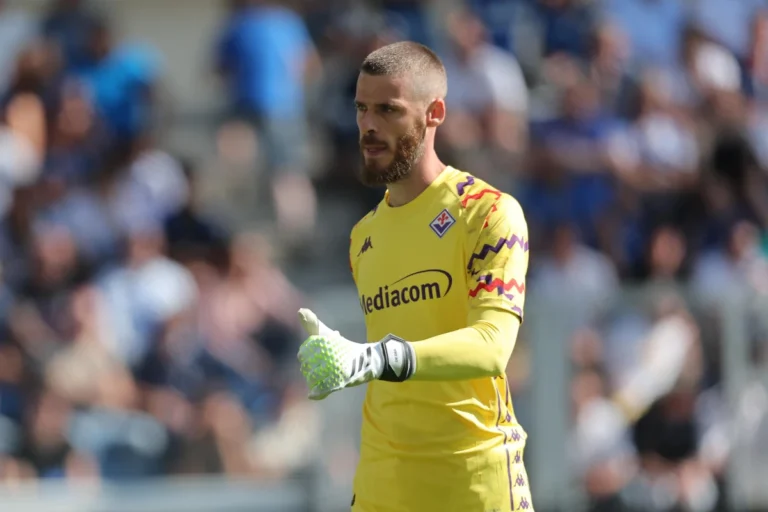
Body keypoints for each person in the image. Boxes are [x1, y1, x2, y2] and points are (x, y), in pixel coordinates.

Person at [296, 42, 533, 512]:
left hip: (473, 487)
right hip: (381, 489)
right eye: (361, 108)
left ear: (434, 113)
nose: (368, 125)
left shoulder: (486, 213)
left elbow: (492, 346)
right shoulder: (362, 237)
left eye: (388, 110)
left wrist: (378, 357)